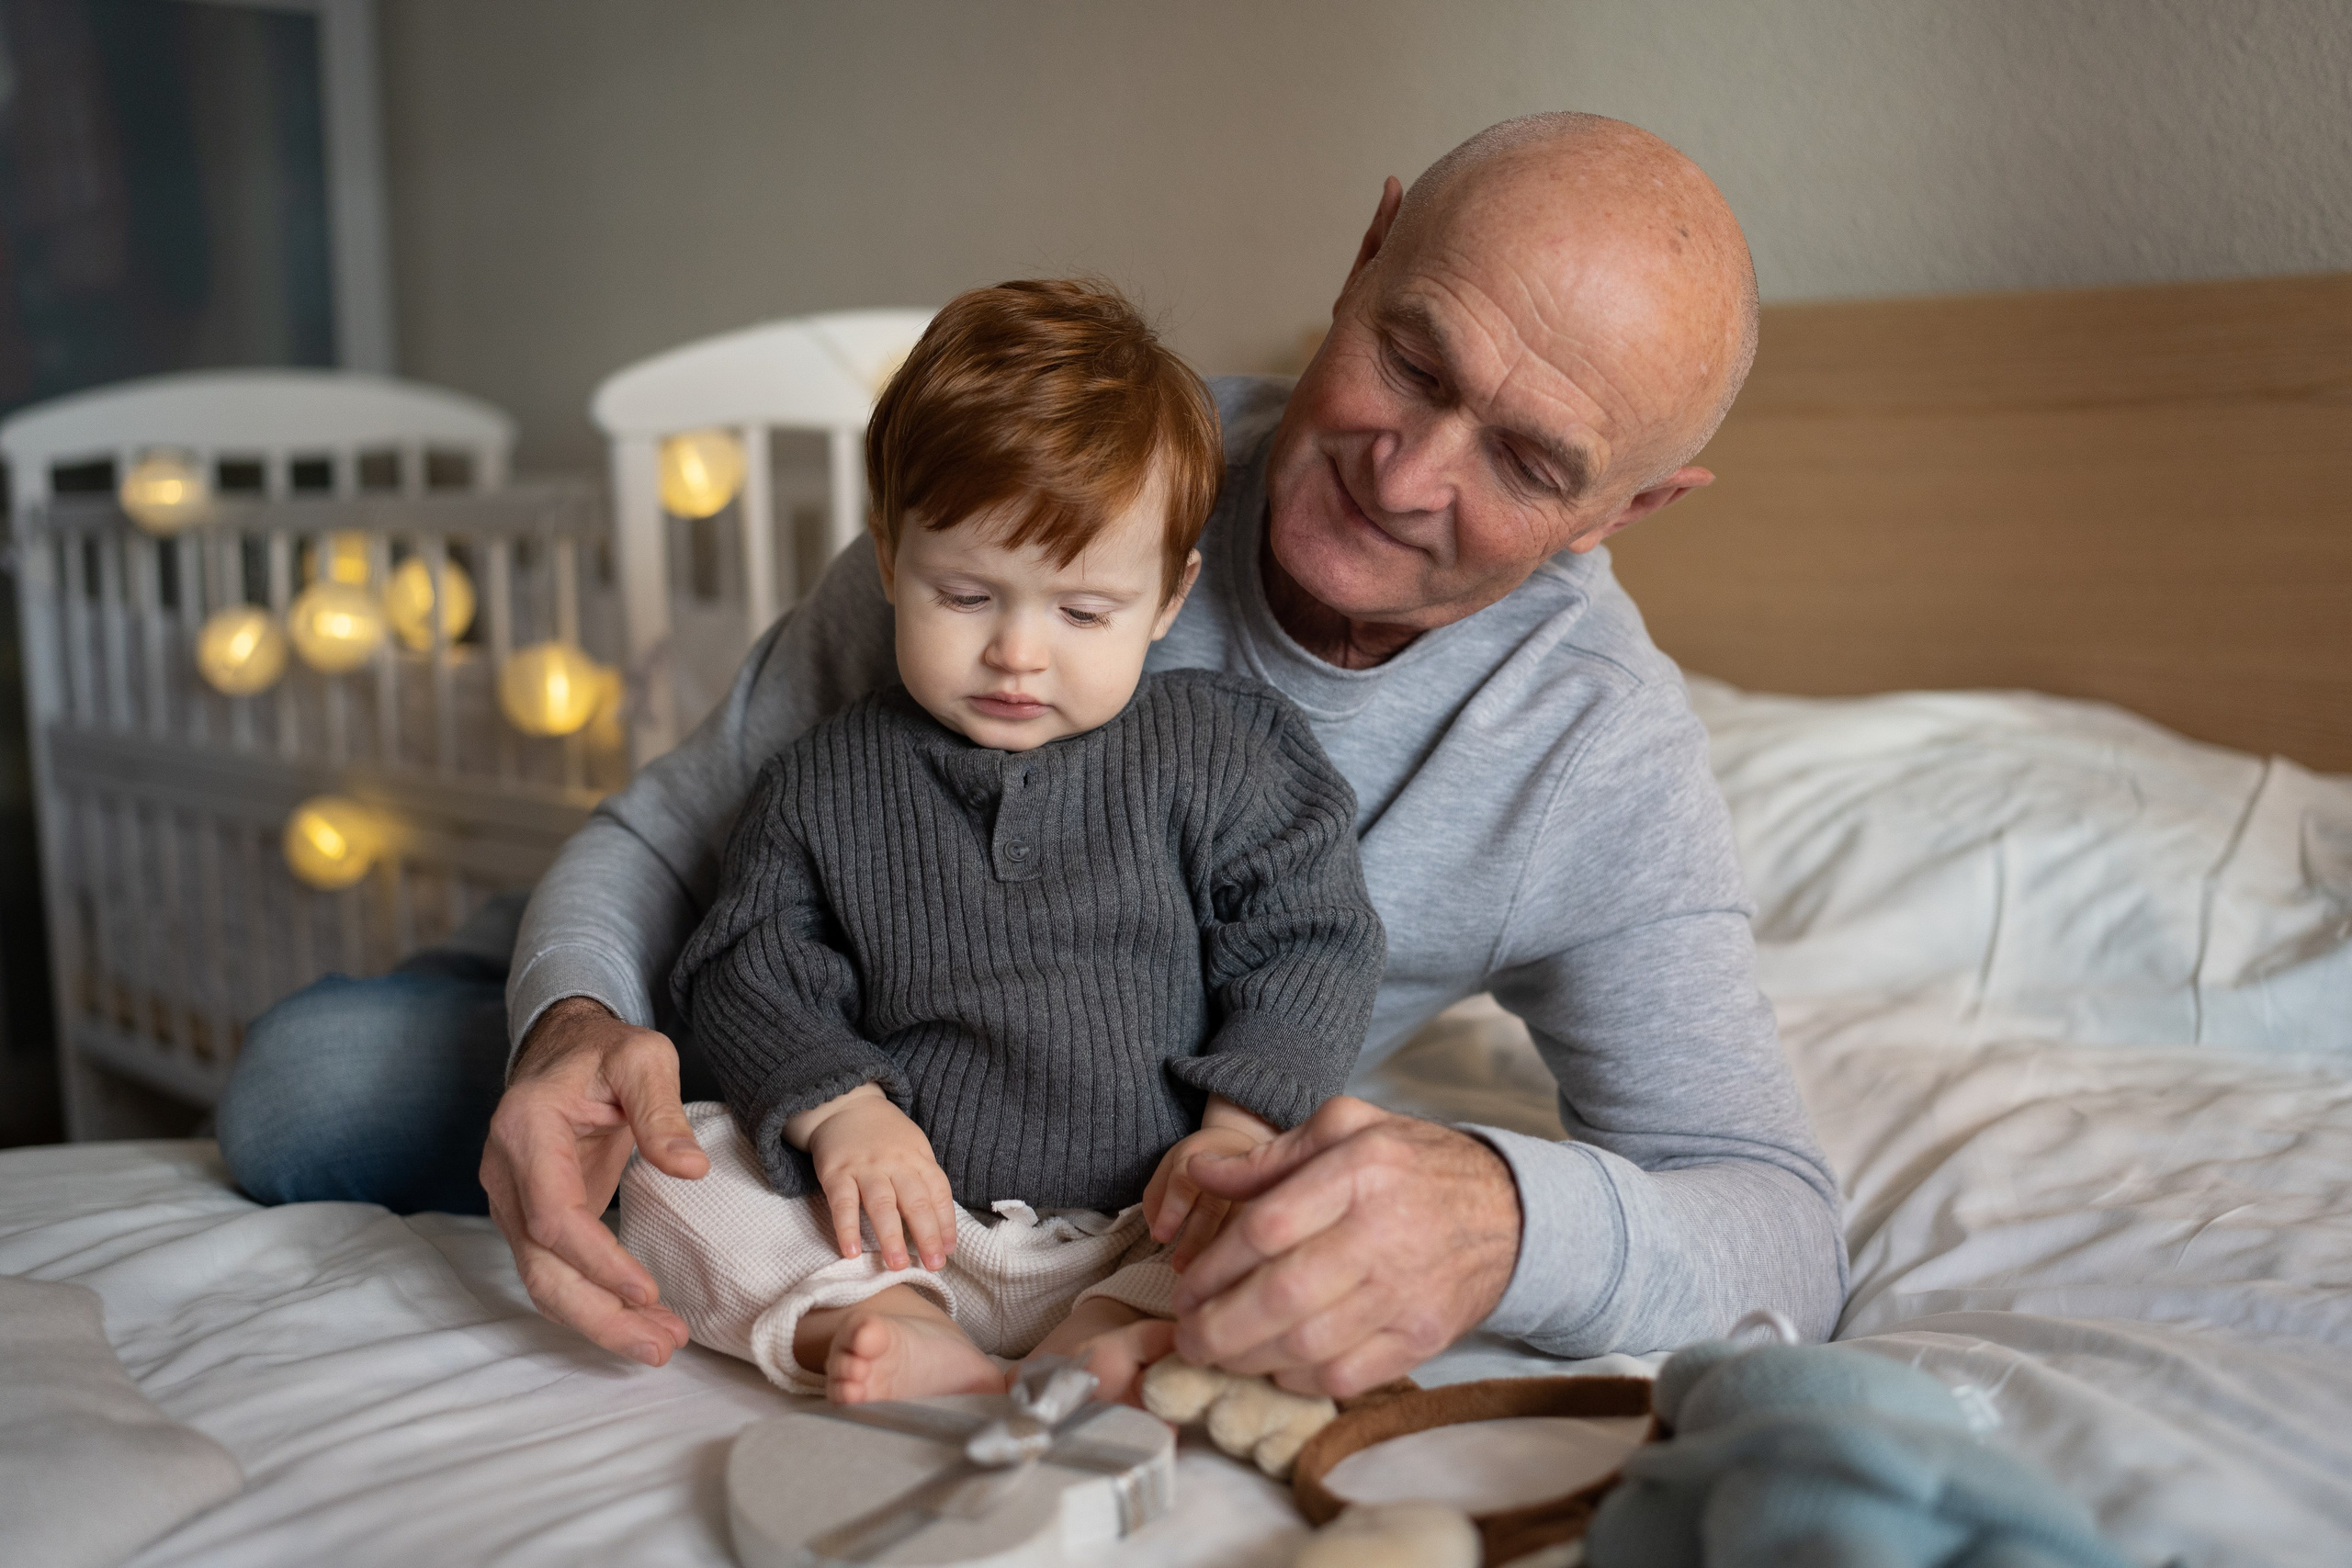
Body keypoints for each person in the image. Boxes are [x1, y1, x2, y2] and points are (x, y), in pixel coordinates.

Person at [220, 111, 1849, 1397]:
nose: (1408, 473)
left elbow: (1773, 1217)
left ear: (1626, 511)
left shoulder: (1593, 751)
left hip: (1101, 1171)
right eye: (1415, 362)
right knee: (317, 1090)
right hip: (787, 1016)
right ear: (1364, 254)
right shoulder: (1058, 483)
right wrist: (572, 1022)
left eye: (1525, 458)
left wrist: (1501, 1220)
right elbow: (673, 840)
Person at [617, 278, 1382, 1404]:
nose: (1018, 654)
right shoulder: (827, 777)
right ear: (888, 563)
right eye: (966, 595)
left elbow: (1310, 943)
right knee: (669, 1174)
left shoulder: (1222, 751)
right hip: (899, 1225)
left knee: (1324, 1209)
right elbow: (748, 964)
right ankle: (891, 1330)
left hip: (1148, 1221)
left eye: (1082, 613)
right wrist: (843, 1112)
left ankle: (1116, 1335)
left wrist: (1233, 1133)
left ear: (1168, 600)